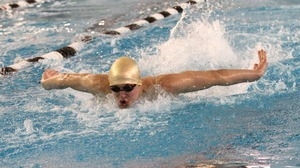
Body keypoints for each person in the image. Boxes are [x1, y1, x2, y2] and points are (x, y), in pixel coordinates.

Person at [41, 49, 267, 109]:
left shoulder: (164, 86)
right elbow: (68, 79)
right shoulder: (99, 85)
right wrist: (49, 81)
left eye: (128, 87)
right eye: (116, 88)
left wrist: (254, 74)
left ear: (138, 84)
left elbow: (216, 77)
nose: (121, 94)